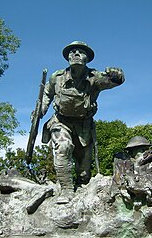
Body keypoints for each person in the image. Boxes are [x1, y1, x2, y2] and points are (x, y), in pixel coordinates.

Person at [40, 41, 125, 203]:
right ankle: (66, 190)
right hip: (60, 121)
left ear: (87, 58)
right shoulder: (56, 77)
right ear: (67, 58)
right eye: (72, 52)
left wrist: (117, 74)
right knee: (63, 147)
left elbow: (115, 81)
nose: (76, 54)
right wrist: (41, 110)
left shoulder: (95, 77)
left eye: (81, 52)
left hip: (84, 126)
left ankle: (81, 189)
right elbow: (47, 94)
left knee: (84, 171)